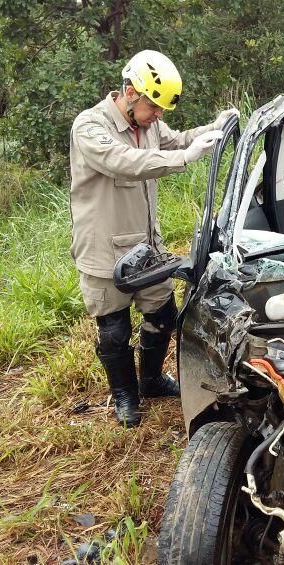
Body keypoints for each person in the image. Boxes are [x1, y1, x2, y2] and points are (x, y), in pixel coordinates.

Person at [69, 49, 237, 428]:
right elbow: (122, 160)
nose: (158, 115)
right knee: (113, 330)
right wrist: (186, 158)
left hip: (147, 246)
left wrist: (214, 127)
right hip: (103, 249)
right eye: (153, 106)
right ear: (130, 92)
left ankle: (151, 381)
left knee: (162, 315)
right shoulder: (90, 126)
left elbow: (178, 142)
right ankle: (125, 397)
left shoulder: (150, 125)